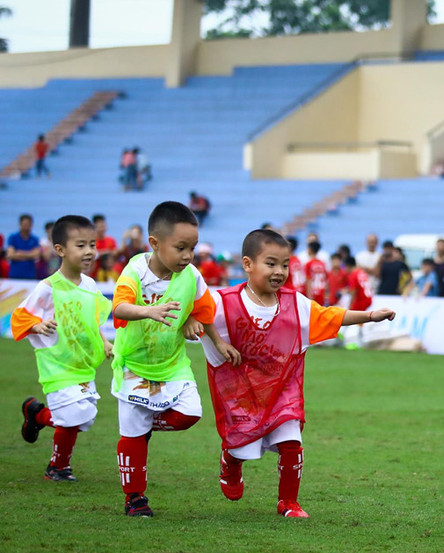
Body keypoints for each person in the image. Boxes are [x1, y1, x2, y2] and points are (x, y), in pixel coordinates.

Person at [193, 229, 395, 518]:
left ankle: (288, 502)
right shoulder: (224, 301)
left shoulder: (295, 303)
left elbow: (329, 315)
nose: (279, 272)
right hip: (241, 393)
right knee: (240, 446)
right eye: (271, 263)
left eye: (285, 265)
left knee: (291, 443)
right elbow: (197, 315)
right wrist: (201, 331)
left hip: (282, 390)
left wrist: (369, 316)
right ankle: (231, 460)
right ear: (248, 265)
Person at [110, 201, 221, 517]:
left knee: (190, 414)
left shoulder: (191, 275)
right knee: (131, 436)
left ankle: (142, 426)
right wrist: (148, 310)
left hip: (172, 363)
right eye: (181, 247)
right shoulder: (135, 271)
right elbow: (118, 308)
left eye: (193, 248)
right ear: (155, 244)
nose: (188, 255)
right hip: (134, 364)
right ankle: (135, 498)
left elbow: (203, 312)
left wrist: (214, 337)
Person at [14, 215, 114, 482]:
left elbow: (92, 320)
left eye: (92, 244)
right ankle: (57, 467)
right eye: (81, 245)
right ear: (60, 250)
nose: (89, 251)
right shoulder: (47, 288)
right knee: (72, 415)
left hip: (82, 364)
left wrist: (104, 342)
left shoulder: (91, 285)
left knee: (84, 418)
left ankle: (37, 414)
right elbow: (19, 317)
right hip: (57, 365)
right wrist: (37, 326)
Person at [344, 256, 374, 347]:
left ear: (348, 266)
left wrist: (350, 305)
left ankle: (354, 341)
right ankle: (359, 340)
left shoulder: (353, 275)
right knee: (360, 321)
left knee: (351, 318)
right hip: (368, 298)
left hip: (361, 300)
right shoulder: (361, 272)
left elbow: (354, 291)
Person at [7, 213, 41, 279]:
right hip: (15, 274)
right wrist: (29, 255)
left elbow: (36, 255)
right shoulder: (13, 237)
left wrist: (19, 253)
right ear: (20, 224)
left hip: (29, 274)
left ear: (31, 225)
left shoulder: (34, 239)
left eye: (28, 224)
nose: (26, 226)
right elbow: (10, 255)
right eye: (24, 224)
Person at [303, 241, 328, 305]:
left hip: (313, 292)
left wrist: (309, 295)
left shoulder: (308, 264)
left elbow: (308, 280)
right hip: (321, 291)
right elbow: (326, 279)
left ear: (310, 250)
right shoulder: (322, 263)